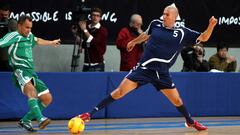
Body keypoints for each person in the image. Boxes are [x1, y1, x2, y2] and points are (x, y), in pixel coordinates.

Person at [78, 5, 217, 131]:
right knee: (120, 91)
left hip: (162, 73)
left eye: (167, 14)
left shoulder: (182, 32)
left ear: (174, 17)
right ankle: (90, 114)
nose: (164, 16)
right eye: (163, 13)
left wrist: (211, 25)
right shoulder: (155, 24)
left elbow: (204, 37)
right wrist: (133, 41)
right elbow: (145, 35)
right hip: (143, 69)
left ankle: (190, 121)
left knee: (177, 100)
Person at [0, 15, 61, 132]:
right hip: (20, 71)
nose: (29, 30)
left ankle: (25, 120)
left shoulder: (29, 36)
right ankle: (40, 119)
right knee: (32, 92)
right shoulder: (14, 36)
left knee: (47, 98)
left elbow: (38, 40)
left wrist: (51, 42)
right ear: (19, 26)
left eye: (31, 28)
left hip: (31, 73)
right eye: (27, 27)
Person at [77, 7, 108, 72]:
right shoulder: (87, 28)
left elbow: (94, 42)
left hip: (97, 64)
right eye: (93, 15)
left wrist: (85, 30)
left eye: (97, 16)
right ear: (90, 16)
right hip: (86, 63)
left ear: (100, 18)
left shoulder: (102, 30)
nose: (95, 17)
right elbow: (83, 43)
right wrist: (75, 34)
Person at [0, 3, 17, 71]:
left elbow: (20, 38)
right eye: (1, 15)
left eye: (5, 15)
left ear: (9, 13)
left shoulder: (12, 23)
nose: (4, 17)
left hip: (8, 58)